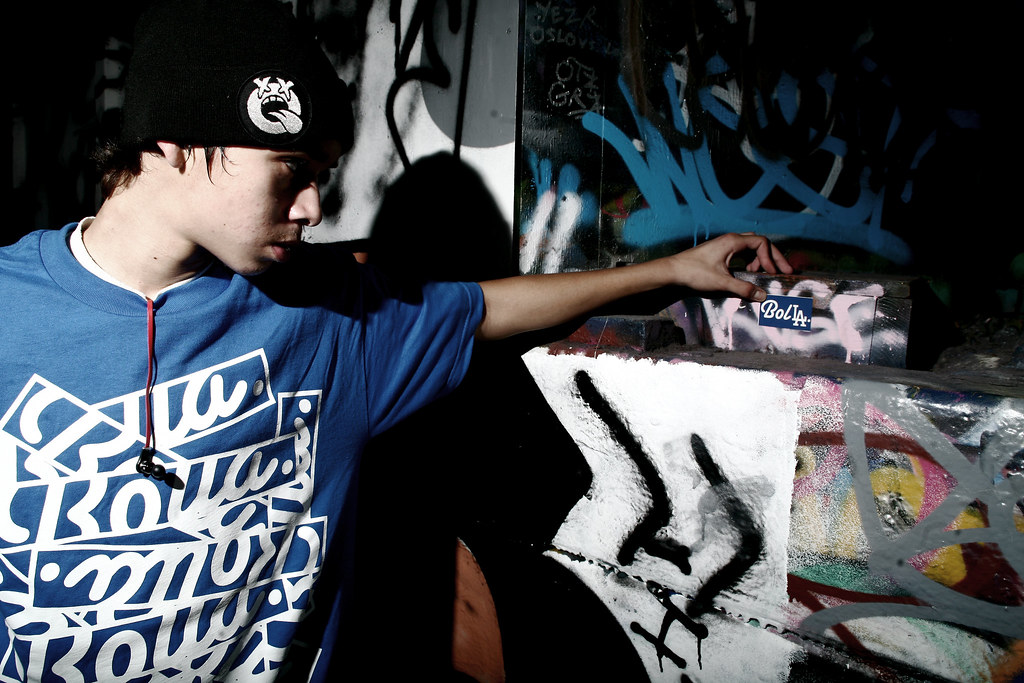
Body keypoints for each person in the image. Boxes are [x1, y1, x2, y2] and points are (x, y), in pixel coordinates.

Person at [0, 0, 791, 680]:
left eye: (323, 175)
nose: (313, 207)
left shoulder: (321, 313)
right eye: (290, 168)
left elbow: (486, 307)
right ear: (172, 140)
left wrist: (673, 269)